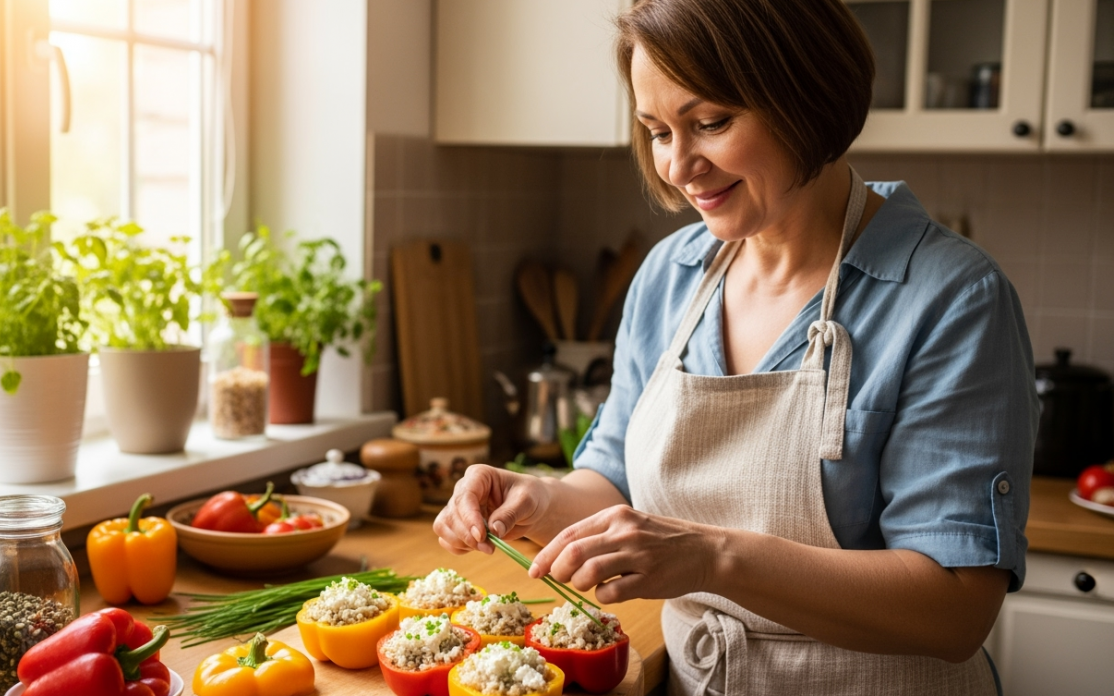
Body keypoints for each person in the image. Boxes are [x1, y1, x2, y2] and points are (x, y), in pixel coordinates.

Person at [433, 0, 1038, 694]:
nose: (678, 166)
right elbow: (616, 484)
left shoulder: (951, 299)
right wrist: (536, 501)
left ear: (806, 94)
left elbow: (954, 610)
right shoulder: (670, 275)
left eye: (710, 123)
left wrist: (713, 558)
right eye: (657, 131)